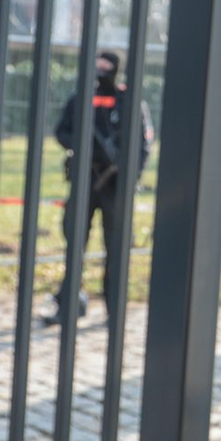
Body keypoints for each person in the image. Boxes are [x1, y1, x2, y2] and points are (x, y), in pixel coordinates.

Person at [45, 50, 152, 325]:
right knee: (75, 244)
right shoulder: (81, 99)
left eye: (108, 66)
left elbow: (142, 146)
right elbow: (61, 131)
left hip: (115, 186)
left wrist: (130, 175)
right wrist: (84, 146)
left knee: (116, 250)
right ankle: (68, 306)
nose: (102, 71)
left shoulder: (130, 101)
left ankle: (114, 313)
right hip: (85, 181)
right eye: (99, 66)